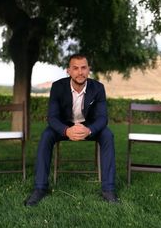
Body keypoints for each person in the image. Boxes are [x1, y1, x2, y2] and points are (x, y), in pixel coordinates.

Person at [24, 53, 118, 206]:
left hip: (88, 127)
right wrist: (66, 131)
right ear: (68, 71)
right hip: (64, 126)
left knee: (107, 135)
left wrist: (89, 130)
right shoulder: (58, 87)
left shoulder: (98, 88)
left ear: (89, 70)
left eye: (83, 68)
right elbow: (52, 117)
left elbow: (102, 118)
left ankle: (108, 190)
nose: (80, 72)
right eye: (75, 68)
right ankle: (40, 188)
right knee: (46, 135)